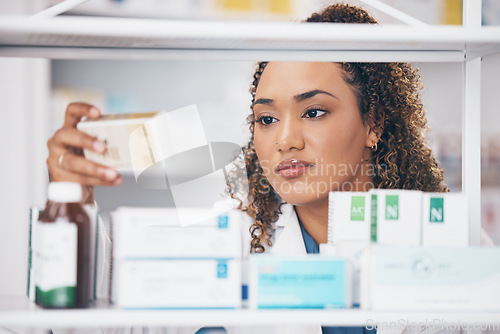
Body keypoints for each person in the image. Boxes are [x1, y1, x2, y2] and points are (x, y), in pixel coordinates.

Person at [47, 3, 471, 334]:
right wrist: (76, 205)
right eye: (266, 119)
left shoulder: (449, 243)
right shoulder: (228, 245)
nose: (285, 139)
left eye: (314, 111)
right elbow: (111, 327)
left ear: (373, 122)